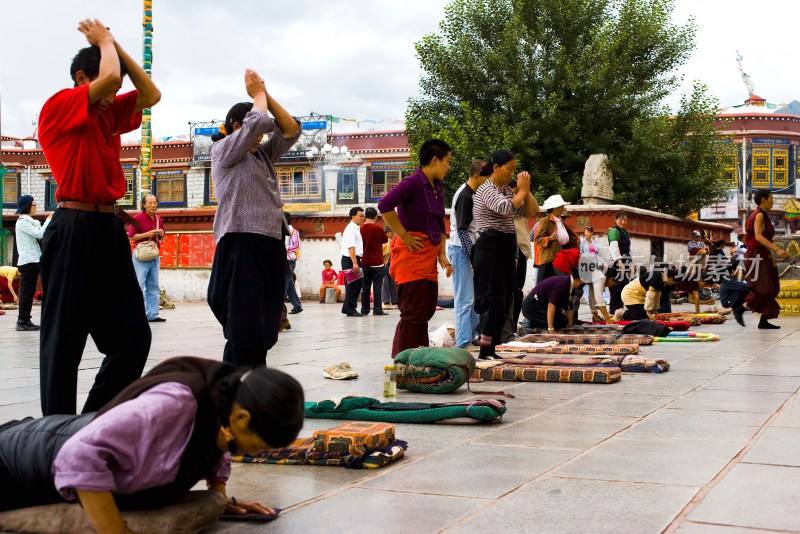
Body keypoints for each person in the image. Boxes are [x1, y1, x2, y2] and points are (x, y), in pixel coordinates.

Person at [0, 356, 305, 533]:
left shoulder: (224, 406)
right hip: (15, 461)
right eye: (259, 444)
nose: (254, 453)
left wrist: (219, 496)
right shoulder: (174, 404)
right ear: (240, 418)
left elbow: (216, 450)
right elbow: (79, 455)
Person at [36, 20, 161, 416]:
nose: (113, 95)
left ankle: (90, 423)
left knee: (134, 338)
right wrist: (104, 43)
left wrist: (116, 46)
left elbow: (151, 93)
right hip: (71, 227)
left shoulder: (107, 114)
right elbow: (108, 81)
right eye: (108, 86)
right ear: (80, 78)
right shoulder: (59, 105)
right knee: (63, 345)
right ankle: (54, 436)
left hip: (108, 228)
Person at [207, 69, 301, 367]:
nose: (261, 137)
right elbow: (258, 120)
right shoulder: (224, 150)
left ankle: (251, 385)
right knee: (244, 324)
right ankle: (239, 389)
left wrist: (265, 95)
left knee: (264, 322)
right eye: (254, 131)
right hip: (241, 242)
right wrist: (257, 96)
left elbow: (291, 130)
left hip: (268, 243)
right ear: (237, 126)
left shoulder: (260, 155)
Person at [378, 139, 454, 356]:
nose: (449, 167)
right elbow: (384, 206)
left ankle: (418, 358)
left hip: (429, 257)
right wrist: (404, 235)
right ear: (434, 160)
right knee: (412, 313)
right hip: (411, 256)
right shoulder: (412, 183)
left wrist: (442, 255)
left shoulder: (437, 188)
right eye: (447, 162)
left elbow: (439, 223)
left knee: (425, 311)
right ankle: (402, 361)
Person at [471, 150, 538, 359]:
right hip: (489, 250)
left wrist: (526, 190)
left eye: (514, 169)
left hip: (506, 250)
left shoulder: (507, 190)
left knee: (504, 301)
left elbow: (529, 211)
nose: (512, 173)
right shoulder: (487, 189)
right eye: (509, 169)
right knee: (492, 302)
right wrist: (521, 191)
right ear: (496, 167)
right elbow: (505, 209)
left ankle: (491, 349)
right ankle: (484, 351)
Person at [446, 159, 487, 348]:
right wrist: (472, 256)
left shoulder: (473, 193)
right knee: (464, 299)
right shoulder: (465, 196)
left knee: (473, 297)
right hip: (461, 248)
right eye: (486, 179)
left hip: (470, 248)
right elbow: (462, 230)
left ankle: (471, 334)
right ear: (477, 176)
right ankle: (462, 341)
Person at [743, 190, 790, 329]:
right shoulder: (758, 215)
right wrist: (778, 249)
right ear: (764, 199)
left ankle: (763, 320)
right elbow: (758, 236)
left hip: (763, 254)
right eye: (771, 198)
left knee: (769, 285)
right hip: (757, 254)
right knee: (764, 288)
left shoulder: (761, 214)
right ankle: (738, 308)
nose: (773, 201)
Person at [13, 195, 51, 331]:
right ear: (27, 206)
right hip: (28, 261)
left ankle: (25, 320)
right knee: (27, 292)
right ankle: (22, 321)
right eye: (34, 205)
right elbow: (40, 234)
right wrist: (48, 221)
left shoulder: (29, 221)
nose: (35, 207)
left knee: (29, 291)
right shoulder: (22, 222)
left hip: (35, 259)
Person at [128, 193, 166, 323]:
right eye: (150, 203)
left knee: (153, 286)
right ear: (144, 205)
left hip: (154, 256)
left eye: (155, 202)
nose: (153, 205)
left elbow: (161, 237)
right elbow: (131, 236)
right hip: (140, 258)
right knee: (138, 286)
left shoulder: (158, 219)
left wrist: (160, 234)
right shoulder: (137, 218)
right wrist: (147, 234)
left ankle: (152, 315)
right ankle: (133, 314)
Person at [533, 195, 578, 283]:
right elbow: (538, 239)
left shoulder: (560, 220)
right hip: (550, 260)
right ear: (555, 208)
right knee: (547, 284)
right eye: (561, 206)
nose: (563, 208)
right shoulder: (545, 221)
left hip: (560, 258)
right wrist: (550, 238)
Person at [359, 207, 389, 316]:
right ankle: (377, 310)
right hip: (377, 262)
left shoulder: (360, 228)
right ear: (376, 217)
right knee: (377, 287)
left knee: (365, 287)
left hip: (364, 262)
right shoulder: (378, 228)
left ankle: (364, 310)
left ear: (365, 216)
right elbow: (385, 240)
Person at [340, 206, 365, 317]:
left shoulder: (356, 228)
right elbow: (351, 247)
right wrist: (355, 263)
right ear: (353, 216)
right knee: (353, 285)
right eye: (360, 216)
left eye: (363, 216)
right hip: (350, 259)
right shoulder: (350, 229)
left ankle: (346, 308)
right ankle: (351, 309)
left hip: (355, 259)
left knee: (357, 284)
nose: (363, 218)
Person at [607, 211, 632, 314]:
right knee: (616, 288)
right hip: (617, 264)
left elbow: (629, 249)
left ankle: (620, 311)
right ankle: (613, 312)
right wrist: (619, 261)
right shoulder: (614, 231)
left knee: (624, 287)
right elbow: (614, 248)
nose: (623, 222)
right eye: (621, 219)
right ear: (616, 220)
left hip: (626, 262)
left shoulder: (625, 232)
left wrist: (631, 264)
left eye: (625, 220)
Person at [283, 212, 303, 315]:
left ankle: (278, 305)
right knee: (289, 283)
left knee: (284, 282)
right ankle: (297, 306)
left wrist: (285, 249)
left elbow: (297, 245)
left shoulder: (293, 231)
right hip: (282, 259)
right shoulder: (280, 230)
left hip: (289, 260)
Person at [381, 227, 398, 307]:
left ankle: (395, 300)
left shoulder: (394, 241)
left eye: (393, 233)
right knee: (385, 283)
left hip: (392, 264)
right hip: (385, 265)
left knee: (393, 284)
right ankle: (386, 300)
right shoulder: (384, 242)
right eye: (390, 233)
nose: (392, 234)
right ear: (386, 233)